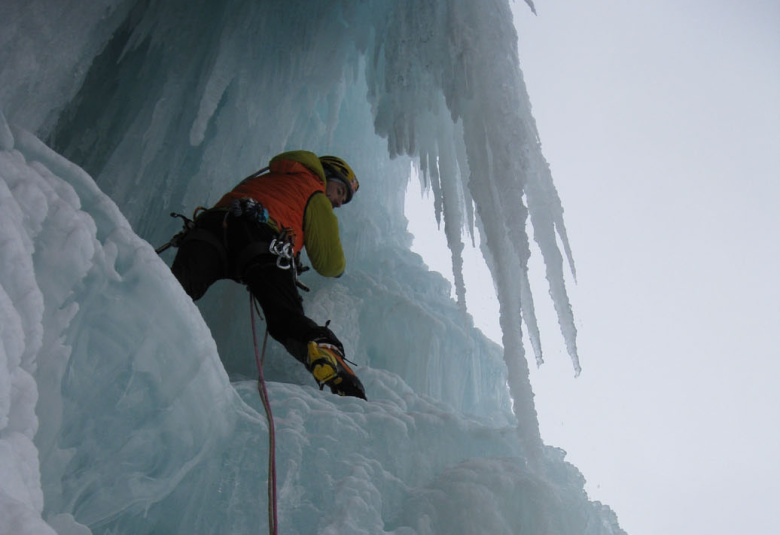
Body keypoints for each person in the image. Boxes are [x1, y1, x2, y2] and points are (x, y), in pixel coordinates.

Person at [170, 150, 366, 399]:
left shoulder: (273, 177)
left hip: (210, 228)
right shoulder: (314, 192)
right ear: (326, 177)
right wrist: (340, 271)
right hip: (261, 237)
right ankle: (325, 351)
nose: (338, 202)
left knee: (177, 289)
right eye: (339, 192)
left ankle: (139, 312)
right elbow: (328, 262)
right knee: (284, 315)